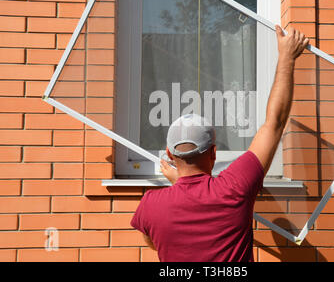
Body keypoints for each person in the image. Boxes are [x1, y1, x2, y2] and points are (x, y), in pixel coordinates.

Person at [131, 25, 309, 262]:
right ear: (213, 152)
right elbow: (274, 123)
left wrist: (180, 185)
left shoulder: (150, 206)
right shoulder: (234, 188)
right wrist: (287, 57)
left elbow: (153, 241)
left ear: (169, 155)